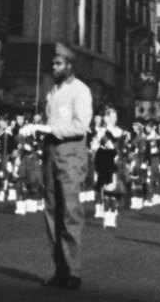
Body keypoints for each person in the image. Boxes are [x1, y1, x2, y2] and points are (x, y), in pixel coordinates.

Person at [43, 41, 93, 291]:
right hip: (51, 153)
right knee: (52, 211)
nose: (53, 67)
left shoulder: (80, 91)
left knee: (70, 212)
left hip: (71, 155)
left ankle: (73, 271)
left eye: (58, 63)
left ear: (69, 65)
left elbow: (80, 126)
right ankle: (60, 269)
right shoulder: (53, 93)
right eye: (53, 63)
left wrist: (50, 128)